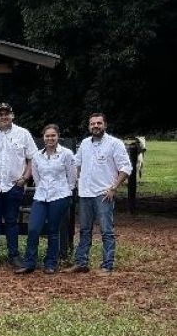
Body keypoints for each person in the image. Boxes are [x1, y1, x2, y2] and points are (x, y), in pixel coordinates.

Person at [65, 112, 132, 274]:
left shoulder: (115, 144)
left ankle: (107, 265)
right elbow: (76, 164)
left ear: (105, 125)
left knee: (106, 231)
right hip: (85, 193)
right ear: (89, 126)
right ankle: (81, 263)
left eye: (99, 123)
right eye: (92, 123)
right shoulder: (85, 143)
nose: (95, 126)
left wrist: (113, 188)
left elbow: (126, 168)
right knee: (84, 230)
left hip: (104, 194)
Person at [0, 102, 35, 268]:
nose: (4, 117)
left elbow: (31, 159)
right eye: (0, 114)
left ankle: (14, 255)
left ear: (12, 115)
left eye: (6, 114)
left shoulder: (23, 134)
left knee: (11, 221)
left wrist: (24, 178)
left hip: (13, 186)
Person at [16, 124, 77, 275]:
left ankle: (50, 263)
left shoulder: (67, 154)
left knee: (53, 230)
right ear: (43, 138)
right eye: (47, 136)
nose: (50, 138)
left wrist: (67, 191)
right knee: (33, 228)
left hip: (59, 196)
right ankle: (29, 262)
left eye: (53, 135)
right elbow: (36, 177)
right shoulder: (37, 156)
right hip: (41, 196)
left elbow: (72, 176)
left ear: (58, 136)